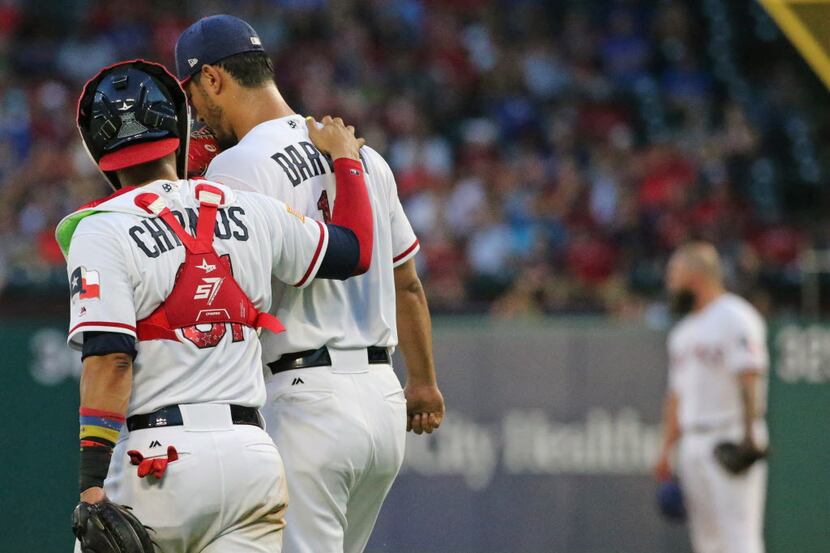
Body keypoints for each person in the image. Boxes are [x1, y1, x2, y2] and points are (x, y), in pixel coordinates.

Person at [62, 58, 375, 553]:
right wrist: (348, 162)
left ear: (98, 149)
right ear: (180, 130)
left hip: (156, 464)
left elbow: (111, 355)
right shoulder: (247, 205)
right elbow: (355, 250)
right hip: (251, 459)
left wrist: (91, 483)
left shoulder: (100, 227)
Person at [174, 15, 445, 553]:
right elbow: (407, 284)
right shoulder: (364, 155)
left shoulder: (237, 166)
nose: (196, 114)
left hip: (305, 402)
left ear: (212, 79)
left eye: (192, 93)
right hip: (384, 403)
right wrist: (423, 383)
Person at [654, 242, 769, 553]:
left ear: (696, 277)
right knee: (707, 542)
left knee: (739, 538)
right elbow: (676, 395)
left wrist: (748, 437)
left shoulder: (736, 316)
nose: (670, 283)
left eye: (674, 274)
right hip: (693, 441)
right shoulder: (683, 332)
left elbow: (750, 376)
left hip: (729, 434)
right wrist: (667, 448)